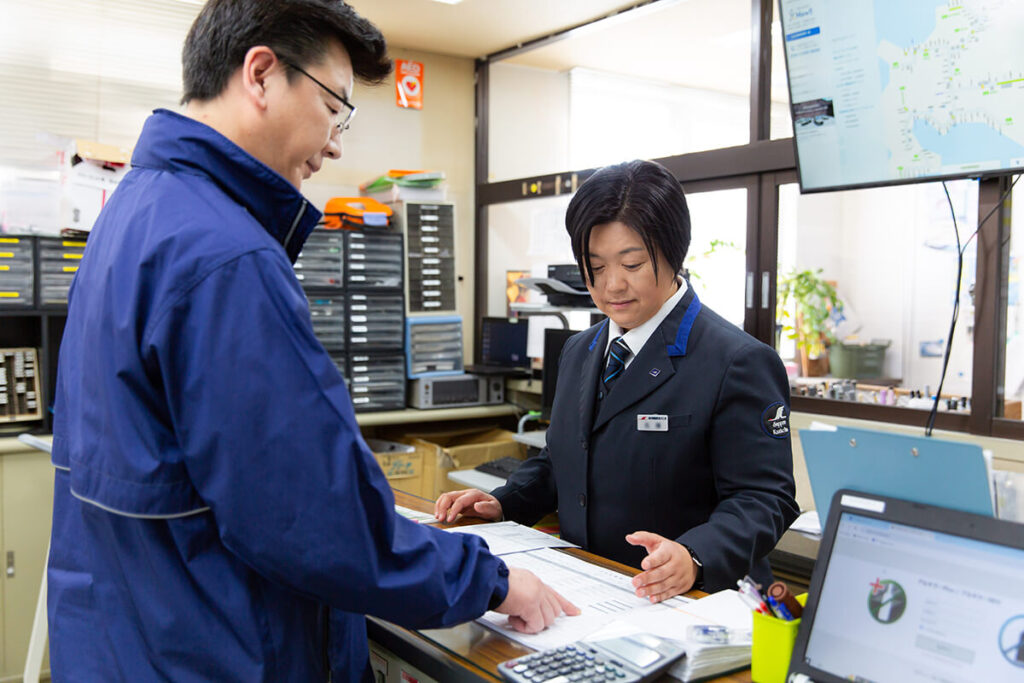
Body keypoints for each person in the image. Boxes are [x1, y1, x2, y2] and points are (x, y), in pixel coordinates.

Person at [47, 2, 576, 681]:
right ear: (262, 74)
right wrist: (492, 581)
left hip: (132, 637)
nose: (335, 143)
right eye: (335, 107)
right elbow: (315, 520)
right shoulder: (227, 256)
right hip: (218, 650)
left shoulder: (135, 211)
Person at [437, 159, 800, 602]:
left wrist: (695, 556)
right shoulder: (580, 350)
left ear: (673, 252)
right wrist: (506, 502)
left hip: (690, 602)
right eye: (596, 266)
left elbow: (765, 498)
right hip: (592, 588)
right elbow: (562, 461)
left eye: (631, 263)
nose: (612, 286)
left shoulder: (737, 360)